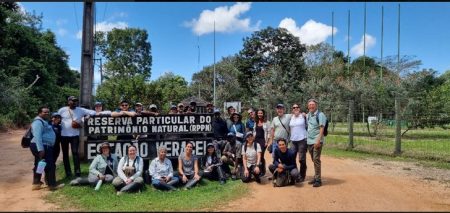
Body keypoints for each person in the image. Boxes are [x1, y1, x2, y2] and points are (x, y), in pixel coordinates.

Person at [58, 96, 96, 177]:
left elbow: (93, 112)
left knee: (75, 153)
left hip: (74, 135)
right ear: (68, 102)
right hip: (63, 135)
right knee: (65, 154)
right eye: (73, 101)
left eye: (76, 101)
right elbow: (56, 118)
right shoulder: (62, 110)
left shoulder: (80, 110)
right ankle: (68, 172)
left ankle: (77, 171)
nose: (74, 102)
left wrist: (88, 116)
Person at [30, 106, 63, 191]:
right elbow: (37, 136)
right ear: (39, 113)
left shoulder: (43, 121)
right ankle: (52, 185)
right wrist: (40, 149)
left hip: (43, 145)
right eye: (44, 112)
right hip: (42, 146)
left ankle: (36, 183)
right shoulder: (38, 122)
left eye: (48, 112)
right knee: (50, 165)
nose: (47, 113)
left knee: (40, 164)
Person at [306, 99, 327, 187]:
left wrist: (318, 140)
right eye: (310, 105)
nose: (311, 106)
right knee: (314, 160)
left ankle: (318, 180)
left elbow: (322, 128)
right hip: (309, 141)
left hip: (317, 141)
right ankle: (316, 177)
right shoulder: (309, 115)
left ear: (316, 105)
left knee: (316, 160)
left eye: (313, 104)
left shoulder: (320, 115)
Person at [289, 103, 308, 182]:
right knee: (292, 158)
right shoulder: (291, 117)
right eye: (294, 107)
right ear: (292, 109)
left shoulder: (304, 116)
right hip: (293, 140)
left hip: (302, 140)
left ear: (299, 109)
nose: (295, 108)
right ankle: (295, 174)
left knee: (302, 159)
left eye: (297, 107)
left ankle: (302, 175)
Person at [253, 109, 271, 177]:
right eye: (258, 113)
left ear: (263, 114)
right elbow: (254, 132)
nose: (260, 114)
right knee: (257, 155)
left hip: (263, 141)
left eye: (261, 113)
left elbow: (269, 132)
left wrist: (267, 142)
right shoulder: (256, 122)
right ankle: (258, 170)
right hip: (256, 140)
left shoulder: (267, 122)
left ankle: (262, 171)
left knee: (261, 155)